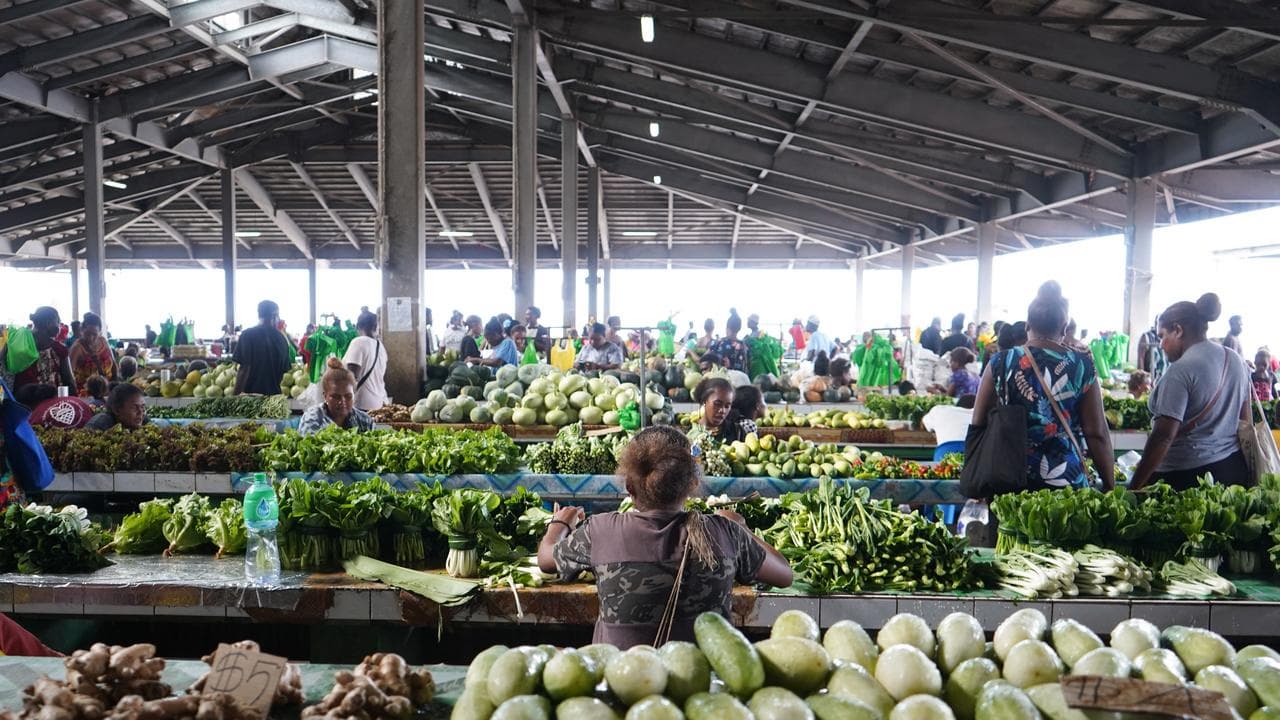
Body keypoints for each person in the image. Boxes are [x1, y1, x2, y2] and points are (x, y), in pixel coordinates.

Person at [537, 426, 792, 648]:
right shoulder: (725, 532)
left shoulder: (600, 531)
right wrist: (740, 527)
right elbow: (784, 575)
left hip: (624, 678)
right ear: (692, 484)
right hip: (697, 680)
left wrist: (559, 523)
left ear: (629, 486)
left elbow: (546, 560)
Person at [972, 281, 1115, 490]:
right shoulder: (1082, 365)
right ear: (1064, 328)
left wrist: (977, 477)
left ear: (1027, 325)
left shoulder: (1000, 363)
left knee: (1011, 522)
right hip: (1066, 480)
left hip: (1010, 478)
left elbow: (978, 424)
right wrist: (1110, 486)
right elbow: (1096, 432)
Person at [1129, 294, 1252, 491]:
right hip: (1232, 471)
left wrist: (1134, 487)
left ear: (1178, 330)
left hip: (1186, 478)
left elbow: (1163, 436)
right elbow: (1244, 419)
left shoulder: (1180, 371)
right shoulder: (1236, 360)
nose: (1160, 344)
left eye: (1162, 336)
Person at [0, 307, 76, 405]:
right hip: (52, 410)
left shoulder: (16, 341)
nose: (60, 327)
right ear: (49, 323)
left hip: (20, 408)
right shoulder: (59, 349)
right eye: (58, 322)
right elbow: (69, 381)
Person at [298, 358, 376, 436]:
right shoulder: (312, 419)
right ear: (325, 396)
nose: (342, 401)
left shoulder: (365, 421)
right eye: (335, 396)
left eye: (348, 396)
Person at [233, 301, 292, 396]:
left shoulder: (247, 335)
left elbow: (244, 369)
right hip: (274, 399)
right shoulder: (282, 339)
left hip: (251, 400)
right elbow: (282, 371)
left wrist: (234, 397)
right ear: (275, 315)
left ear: (259, 314)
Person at [343, 310, 388, 411]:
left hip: (362, 404)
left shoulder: (358, 342)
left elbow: (352, 375)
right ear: (375, 326)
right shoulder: (380, 346)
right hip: (379, 402)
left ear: (358, 326)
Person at [69, 312, 118, 393]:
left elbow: (113, 363)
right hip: (85, 392)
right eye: (87, 333)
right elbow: (69, 375)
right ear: (82, 330)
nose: (91, 338)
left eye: (94, 334)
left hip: (107, 388)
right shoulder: (77, 348)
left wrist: (115, 385)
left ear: (100, 332)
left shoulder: (103, 341)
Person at [693, 377, 747, 443]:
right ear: (704, 400)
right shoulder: (691, 436)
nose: (723, 411)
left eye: (727, 406)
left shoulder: (737, 432)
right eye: (717, 404)